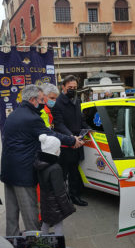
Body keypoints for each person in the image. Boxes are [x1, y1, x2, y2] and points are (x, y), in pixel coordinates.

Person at [1, 84, 83, 236]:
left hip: (8, 171)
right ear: (32, 100)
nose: (43, 103)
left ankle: (11, 242)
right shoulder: (32, 118)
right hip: (23, 174)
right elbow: (51, 135)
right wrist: (72, 140)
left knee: (11, 213)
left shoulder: (15, 113)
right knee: (30, 213)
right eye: (41, 99)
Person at [52, 75, 89, 206]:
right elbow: (59, 124)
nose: (73, 90)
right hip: (65, 143)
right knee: (62, 174)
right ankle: (61, 200)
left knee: (74, 171)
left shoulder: (77, 101)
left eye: (75, 88)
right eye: (70, 88)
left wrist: (87, 129)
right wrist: (71, 137)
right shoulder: (57, 103)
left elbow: (81, 119)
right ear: (63, 87)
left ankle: (74, 196)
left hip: (78, 141)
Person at [35, 134, 76, 235]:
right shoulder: (55, 168)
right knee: (58, 224)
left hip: (45, 200)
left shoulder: (39, 163)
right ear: (55, 151)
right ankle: (59, 244)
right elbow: (60, 192)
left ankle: (42, 241)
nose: (60, 150)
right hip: (55, 204)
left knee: (45, 222)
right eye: (58, 149)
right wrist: (67, 207)